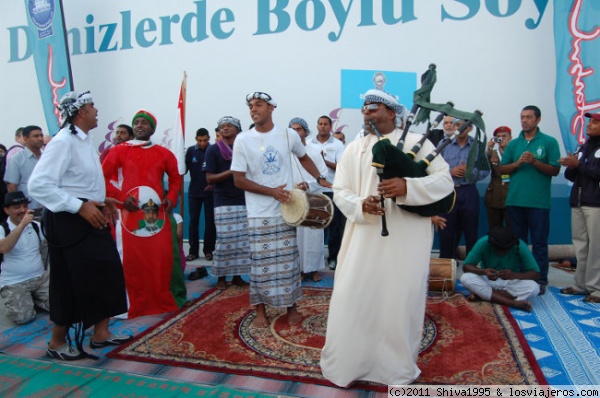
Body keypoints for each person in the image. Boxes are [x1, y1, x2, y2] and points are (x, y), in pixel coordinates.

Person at [320, 89, 453, 386]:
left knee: (397, 303)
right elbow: (341, 191)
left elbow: (444, 182)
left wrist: (407, 186)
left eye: (374, 108)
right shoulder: (353, 149)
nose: (367, 112)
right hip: (363, 239)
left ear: (392, 113)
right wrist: (359, 205)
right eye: (364, 108)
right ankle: (347, 366)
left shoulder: (418, 144)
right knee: (353, 298)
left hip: (406, 242)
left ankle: (394, 370)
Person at [28, 90, 130, 360]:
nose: (97, 110)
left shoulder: (85, 140)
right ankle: (57, 342)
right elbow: (38, 185)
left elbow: (77, 182)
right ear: (81, 111)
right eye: (92, 106)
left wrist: (100, 199)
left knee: (107, 272)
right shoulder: (63, 142)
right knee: (71, 280)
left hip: (90, 214)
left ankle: (101, 333)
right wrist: (79, 206)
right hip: (69, 221)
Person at [230, 91, 331, 327]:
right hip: (258, 212)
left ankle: (291, 307)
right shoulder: (243, 139)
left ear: (272, 108)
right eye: (251, 106)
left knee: (288, 264)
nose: (254, 109)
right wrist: (271, 192)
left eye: (259, 105)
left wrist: (320, 177)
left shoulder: (288, 135)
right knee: (260, 265)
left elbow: (304, 157)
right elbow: (238, 179)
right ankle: (260, 311)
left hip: (286, 210)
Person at [102, 109, 186, 318]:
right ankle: (131, 302)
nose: (139, 126)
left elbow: (176, 179)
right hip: (128, 217)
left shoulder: (164, 153)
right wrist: (121, 198)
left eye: (144, 123)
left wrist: (171, 198)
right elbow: (101, 177)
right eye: (136, 123)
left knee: (160, 257)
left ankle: (161, 299)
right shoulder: (119, 151)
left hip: (156, 215)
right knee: (131, 259)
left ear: (152, 128)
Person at [498, 105, 560, 295]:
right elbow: (501, 169)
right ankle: (518, 276)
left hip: (538, 203)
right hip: (515, 201)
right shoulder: (515, 144)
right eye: (522, 117)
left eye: (529, 117)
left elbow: (555, 170)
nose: (524, 120)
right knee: (517, 242)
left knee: (539, 243)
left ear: (538, 120)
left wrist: (534, 162)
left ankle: (540, 279)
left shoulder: (549, 142)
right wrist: (516, 164)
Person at [558, 112, 600, 303]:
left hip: (595, 203)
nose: (589, 125)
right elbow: (570, 176)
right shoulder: (583, 146)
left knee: (596, 248)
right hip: (578, 201)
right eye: (589, 121)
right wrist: (571, 165)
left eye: (594, 122)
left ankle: (596, 289)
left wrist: (579, 164)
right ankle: (581, 284)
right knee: (580, 245)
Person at [205, 116, 250, 290]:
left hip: (244, 199)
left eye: (229, 125)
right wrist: (232, 171)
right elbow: (210, 178)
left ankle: (238, 276)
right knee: (225, 241)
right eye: (222, 126)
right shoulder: (213, 150)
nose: (225, 128)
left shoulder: (243, 149)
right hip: (223, 201)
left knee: (242, 242)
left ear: (238, 129)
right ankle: (221, 278)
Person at [437, 118, 490, 259]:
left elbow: (485, 170)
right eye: (457, 125)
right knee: (446, 230)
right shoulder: (444, 144)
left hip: (468, 191)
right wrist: (450, 172)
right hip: (448, 191)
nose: (459, 128)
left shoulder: (477, 146)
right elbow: (434, 169)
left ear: (470, 129)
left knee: (471, 230)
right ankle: (446, 264)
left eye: (463, 126)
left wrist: (470, 171)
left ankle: (471, 266)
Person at [460, 226, 540, 312]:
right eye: (498, 249)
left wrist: (514, 275)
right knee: (466, 278)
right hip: (488, 280)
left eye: (504, 249)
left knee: (535, 288)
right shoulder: (483, 243)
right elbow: (466, 266)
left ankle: (484, 295)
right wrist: (483, 271)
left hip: (510, 282)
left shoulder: (519, 245)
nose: (501, 253)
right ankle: (512, 303)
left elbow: (536, 274)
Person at [0, 191, 49, 325]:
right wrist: (22, 225)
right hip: (15, 282)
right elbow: (3, 248)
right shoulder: (2, 228)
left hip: (39, 278)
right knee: (23, 318)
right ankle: (26, 300)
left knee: (61, 305)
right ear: (6, 210)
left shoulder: (35, 226)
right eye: (17, 208)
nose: (23, 210)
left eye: (25, 206)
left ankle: (35, 299)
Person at [289, 117, 328, 282]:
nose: (296, 132)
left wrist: (309, 184)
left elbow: (323, 175)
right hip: (293, 200)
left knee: (314, 236)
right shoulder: (286, 153)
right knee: (296, 238)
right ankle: (299, 270)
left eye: (299, 129)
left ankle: (313, 270)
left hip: (313, 199)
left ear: (305, 131)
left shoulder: (313, 151)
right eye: (292, 130)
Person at [307, 115, 345, 270]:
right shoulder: (308, 143)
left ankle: (333, 258)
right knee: (314, 227)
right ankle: (313, 261)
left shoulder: (337, 145)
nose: (322, 126)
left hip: (331, 189)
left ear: (330, 127)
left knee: (335, 226)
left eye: (325, 124)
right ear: (317, 126)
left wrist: (323, 161)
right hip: (313, 190)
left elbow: (341, 167)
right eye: (320, 124)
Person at [185, 128, 216, 262]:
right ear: (196, 139)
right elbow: (183, 168)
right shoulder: (191, 151)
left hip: (210, 193)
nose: (202, 143)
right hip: (194, 192)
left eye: (205, 140)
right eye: (199, 140)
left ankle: (209, 251)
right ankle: (193, 251)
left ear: (209, 138)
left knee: (210, 222)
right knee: (193, 222)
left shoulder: (213, 150)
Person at [5, 125, 45, 218]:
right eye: (36, 136)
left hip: (51, 205)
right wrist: (20, 209)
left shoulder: (47, 157)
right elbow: (12, 187)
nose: (40, 139)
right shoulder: (16, 159)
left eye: (41, 135)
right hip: (31, 208)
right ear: (25, 138)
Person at [485, 126, 512, 229]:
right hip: (495, 195)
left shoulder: (514, 152)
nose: (502, 138)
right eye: (498, 137)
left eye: (504, 136)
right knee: (495, 227)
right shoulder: (492, 153)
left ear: (510, 138)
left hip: (511, 194)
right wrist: (489, 149)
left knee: (512, 227)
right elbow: (484, 167)